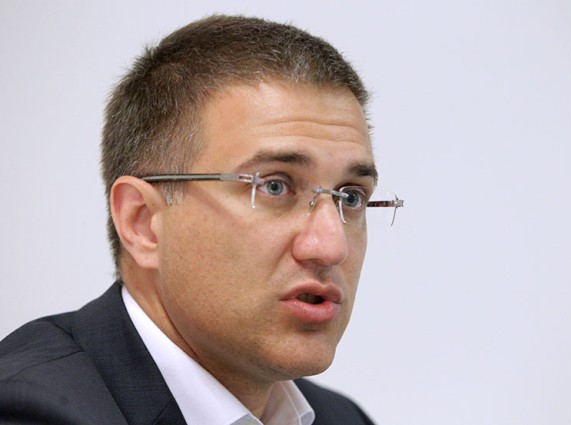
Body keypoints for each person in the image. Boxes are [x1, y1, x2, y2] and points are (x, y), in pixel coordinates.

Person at [0, 15, 403, 425]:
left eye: (350, 197)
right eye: (275, 186)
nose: (332, 246)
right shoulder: (31, 410)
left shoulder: (342, 418)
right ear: (143, 223)